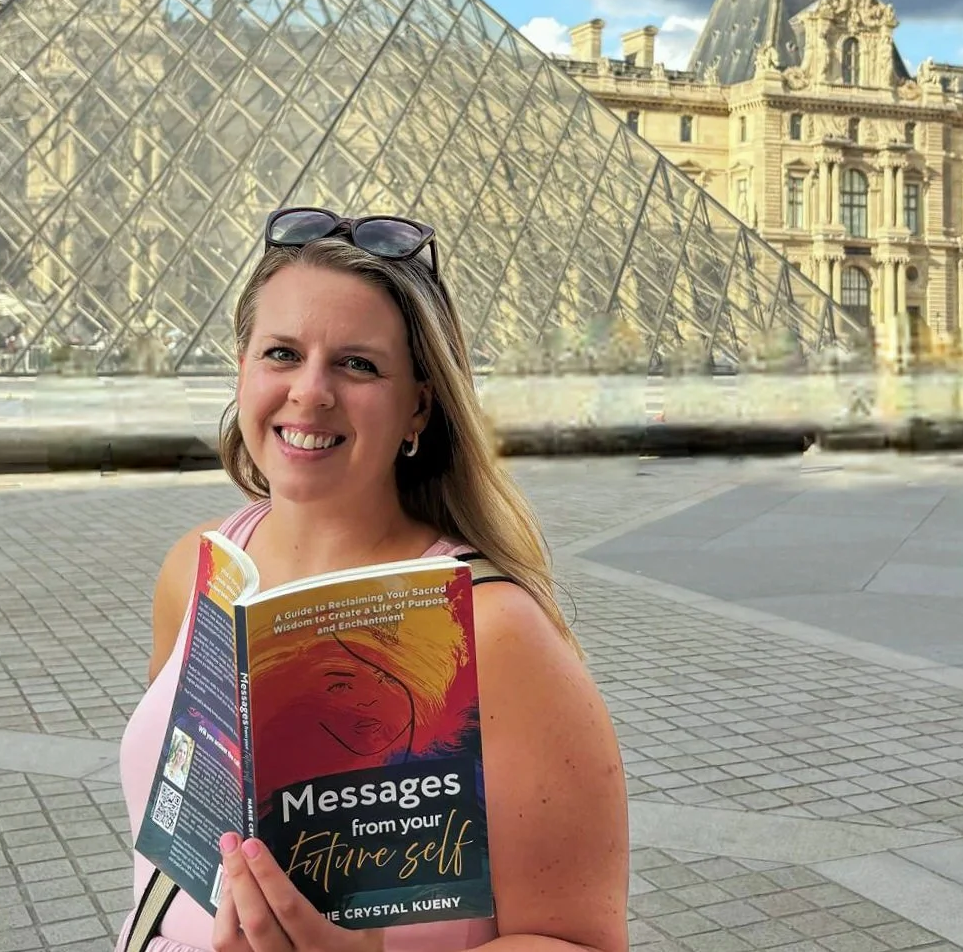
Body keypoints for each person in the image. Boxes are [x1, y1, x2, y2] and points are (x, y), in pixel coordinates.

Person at [116, 207, 628, 952]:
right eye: (282, 353)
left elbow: (581, 942)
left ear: (418, 404)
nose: (310, 392)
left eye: (358, 364)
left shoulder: (493, 631)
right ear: (242, 368)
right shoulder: (195, 568)